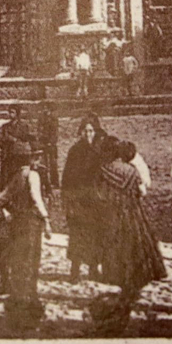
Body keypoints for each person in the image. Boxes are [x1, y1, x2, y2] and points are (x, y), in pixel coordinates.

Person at [93, 138, 167, 334]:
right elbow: (140, 192)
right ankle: (134, 276)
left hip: (111, 214)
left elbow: (98, 195)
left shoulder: (103, 170)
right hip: (131, 213)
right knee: (135, 243)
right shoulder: (131, 171)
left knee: (113, 244)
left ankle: (115, 274)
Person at [0, 142, 50, 329]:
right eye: (35, 156)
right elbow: (36, 198)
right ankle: (30, 303)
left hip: (17, 223)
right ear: (30, 159)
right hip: (31, 223)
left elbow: (0, 199)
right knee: (31, 262)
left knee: (19, 262)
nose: (38, 160)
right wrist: (47, 219)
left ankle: (19, 303)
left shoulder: (16, 176)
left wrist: (7, 213)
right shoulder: (32, 175)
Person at [60, 114, 108, 279]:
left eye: (91, 131)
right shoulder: (75, 151)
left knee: (96, 234)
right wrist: (67, 199)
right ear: (81, 132)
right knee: (77, 235)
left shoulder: (100, 151)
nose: (88, 134)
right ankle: (74, 271)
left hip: (95, 200)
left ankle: (93, 269)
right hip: (79, 200)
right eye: (85, 131)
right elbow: (66, 177)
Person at [0, 106, 33, 190]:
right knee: (6, 176)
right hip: (7, 154)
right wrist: (4, 141)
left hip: (18, 154)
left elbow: (25, 138)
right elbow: (1, 141)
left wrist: (14, 140)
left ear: (17, 114)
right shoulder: (5, 126)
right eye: (9, 112)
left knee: (17, 175)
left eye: (12, 112)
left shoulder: (23, 126)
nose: (10, 114)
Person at [35, 102, 61, 190]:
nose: (45, 110)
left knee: (53, 163)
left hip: (51, 145)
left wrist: (51, 142)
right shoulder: (41, 119)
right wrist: (40, 139)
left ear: (50, 110)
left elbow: (55, 133)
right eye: (44, 108)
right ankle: (44, 182)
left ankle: (55, 182)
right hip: (43, 144)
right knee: (43, 163)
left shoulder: (54, 120)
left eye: (46, 108)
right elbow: (39, 130)